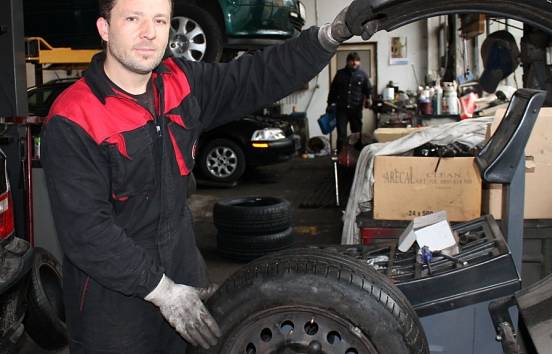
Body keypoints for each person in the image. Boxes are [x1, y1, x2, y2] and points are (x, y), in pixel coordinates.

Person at [40, 0, 381, 352]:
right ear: (105, 29)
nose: (149, 32)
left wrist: (331, 34)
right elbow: (87, 231)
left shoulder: (181, 82)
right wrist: (163, 292)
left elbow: (257, 75)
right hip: (114, 311)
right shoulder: (74, 117)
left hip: (187, 286)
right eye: (132, 18)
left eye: (160, 20)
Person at [328, 51, 372, 150]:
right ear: (347, 62)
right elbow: (333, 90)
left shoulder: (362, 75)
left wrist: (369, 99)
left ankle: (357, 158)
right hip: (341, 109)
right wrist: (329, 104)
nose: (354, 63)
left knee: (356, 134)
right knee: (341, 135)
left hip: (356, 110)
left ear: (359, 62)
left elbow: (368, 89)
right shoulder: (340, 74)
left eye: (356, 60)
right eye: (352, 60)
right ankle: (341, 158)